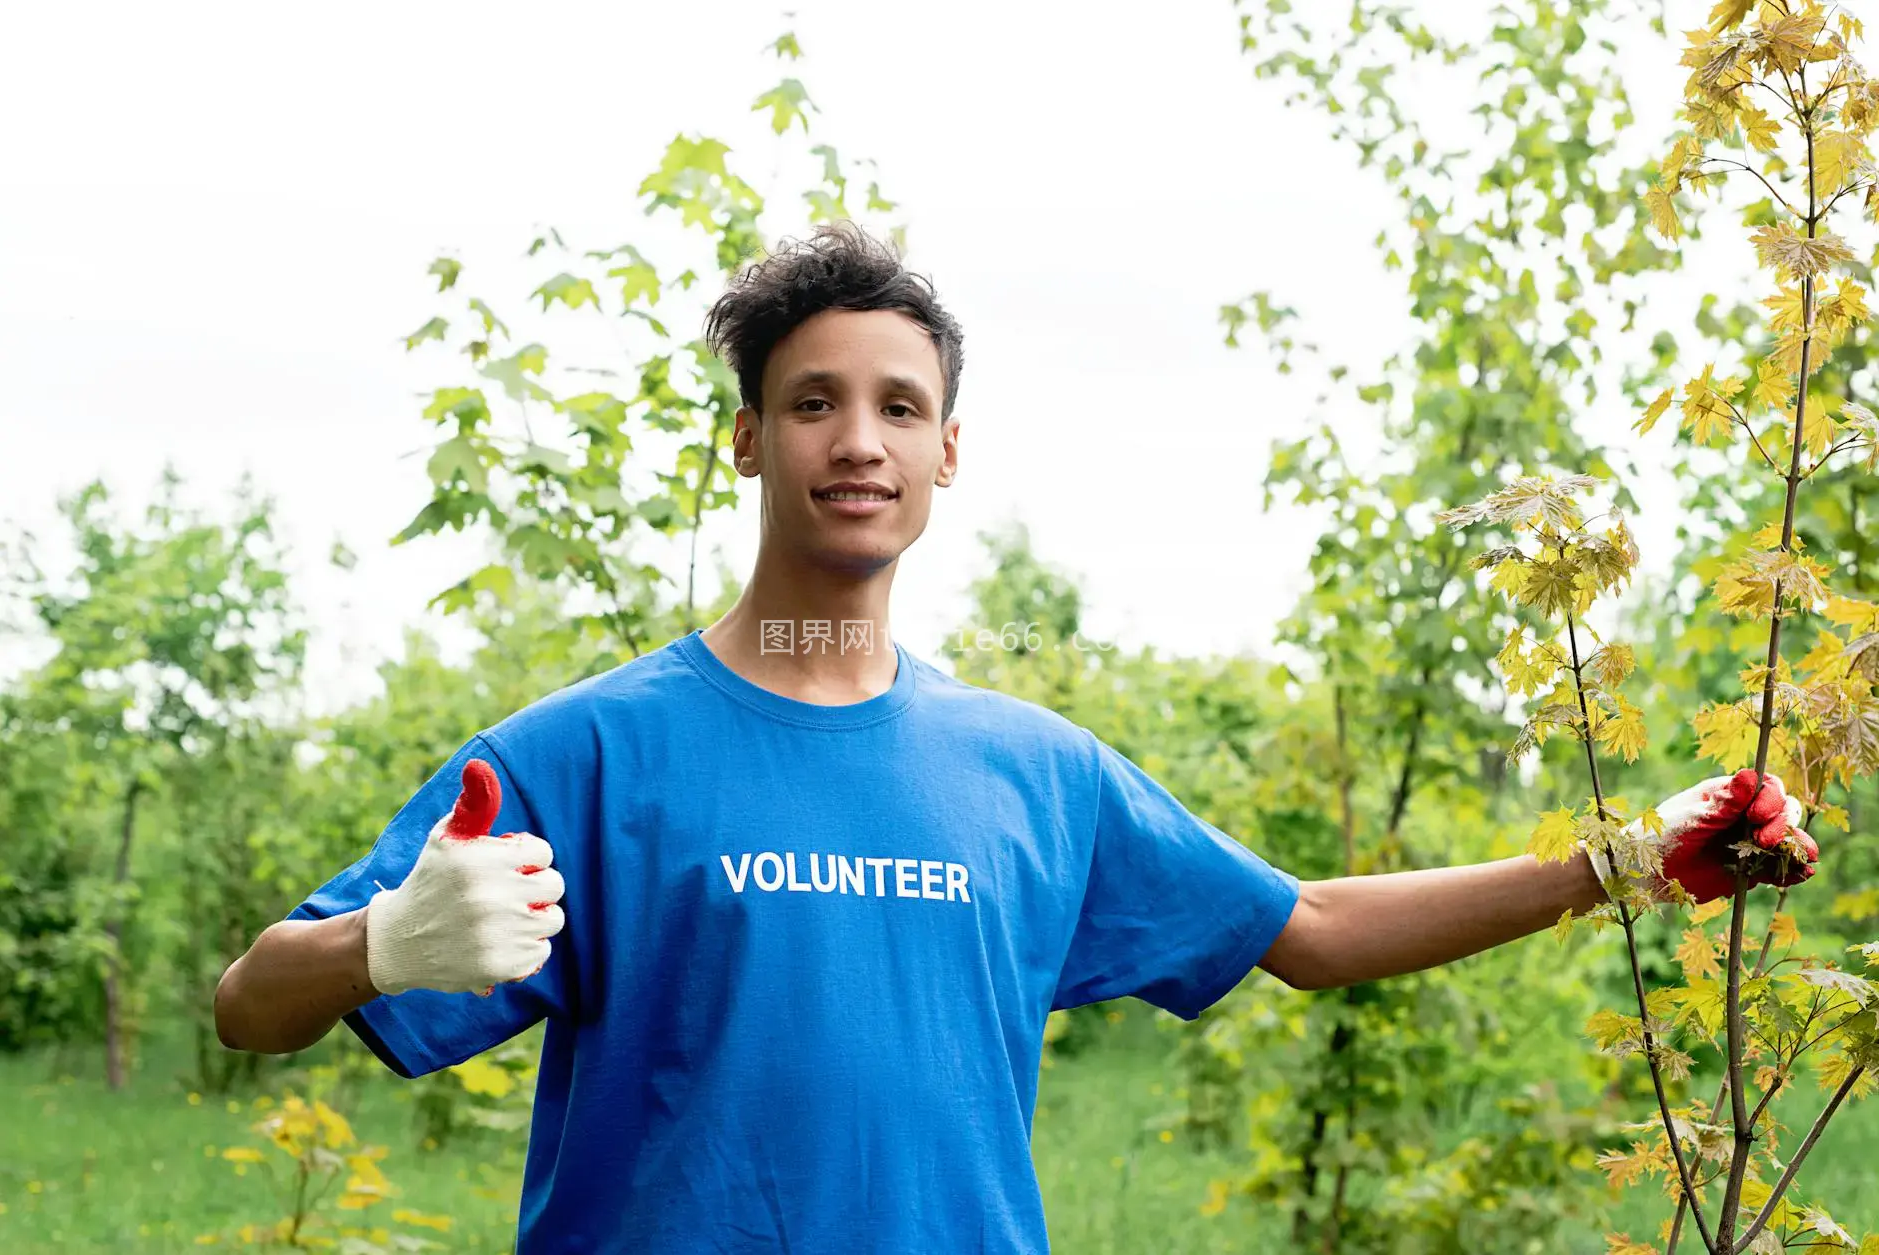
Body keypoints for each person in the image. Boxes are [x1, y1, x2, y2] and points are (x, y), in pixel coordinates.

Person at [213, 220, 1820, 1254]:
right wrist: (380, 943)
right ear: (747, 440)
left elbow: (1311, 928)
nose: (859, 440)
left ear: (948, 450)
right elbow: (246, 1002)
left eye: (899, 407)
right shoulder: (588, 757)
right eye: (813, 400)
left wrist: (1624, 860)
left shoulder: (1032, 773)